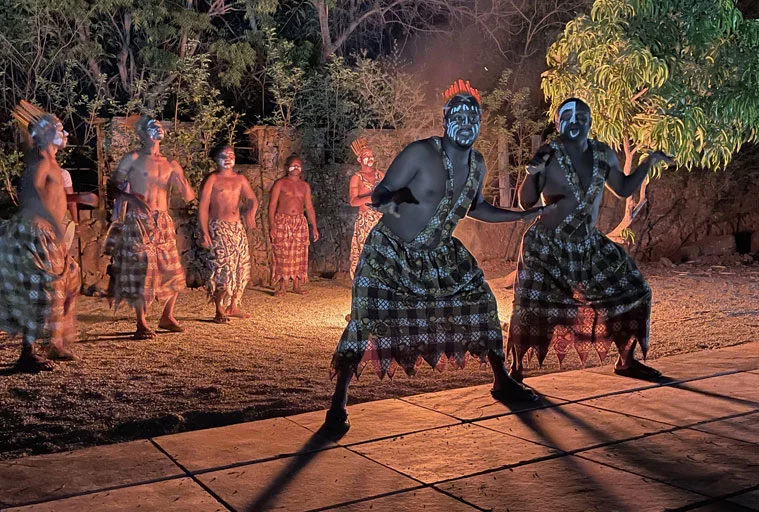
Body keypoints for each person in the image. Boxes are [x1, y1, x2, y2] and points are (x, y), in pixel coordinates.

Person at [324, 80, 553, 432]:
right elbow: (380, 194)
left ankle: (501, 379)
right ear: (445, 119)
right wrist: (398, 202)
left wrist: (519, 215)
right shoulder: (420, 153)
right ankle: (338, 401)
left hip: (439, 256)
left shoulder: (477, 164)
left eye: (473, 116)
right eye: (458, 114)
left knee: (482, 302)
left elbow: (476, 207)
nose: (466, 122)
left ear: (480, 122)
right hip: (390, 254)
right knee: (364, 318)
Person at [507, 97, 674, 382]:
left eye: (581, 115)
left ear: (590, 121)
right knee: (530, 306)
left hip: (588, 245)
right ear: (558, 122)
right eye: (567, 116)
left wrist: (649, 161)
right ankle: (515, 371)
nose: (575, 121)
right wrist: (532, 173)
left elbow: (622, 188)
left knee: (635, 290)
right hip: (547, 245)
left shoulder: (603, 153)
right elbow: (526, 203)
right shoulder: (549, 153)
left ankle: (627, 360)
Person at [0, 103, 93, 371]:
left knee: (71, 280)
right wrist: (52, 223)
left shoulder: (51, 162)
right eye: (58, 128)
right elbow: (29, 197)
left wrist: (76, 199)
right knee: (42, 291)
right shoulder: (39, 162)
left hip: (48, 234)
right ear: (42, 134)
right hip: (34, 234)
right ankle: (27, 354)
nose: (64, 132)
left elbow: (54, 198)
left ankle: (55, 343)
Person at [106, 115, 195, 340]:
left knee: (173, 269)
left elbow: (189, 196)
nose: (158, 128)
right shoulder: (133, 158)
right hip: (138, 219)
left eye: (159, 125)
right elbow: (112, 188)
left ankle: (167, 316)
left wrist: (184, 185)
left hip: (162, 220)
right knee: (142, 270)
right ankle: (141, 321)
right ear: (142, 133)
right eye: (152, 126)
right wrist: (131, 198)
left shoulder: (170, 164)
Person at [198, 145, 258, 323]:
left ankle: (233, 305)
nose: (228, 158)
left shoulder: (240, 179)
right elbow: (203, 207)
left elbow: (252, 198)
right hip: (218, 227)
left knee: (240, 267)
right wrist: (204, 231)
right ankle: (219, 309)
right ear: (216, 159)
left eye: (231, 154)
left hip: (236, 228)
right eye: (223, 155)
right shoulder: (212, 179)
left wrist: (251, 212)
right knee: (222, 268)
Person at [268, 155, 319, 296]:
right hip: (282, 221)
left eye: (298, 165)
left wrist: (314, 227)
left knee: (299, 253)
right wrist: (272, 226)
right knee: (282, 253)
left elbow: (309, 207)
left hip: (299, 222)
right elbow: (272, 205)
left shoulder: (304, 186)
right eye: (293, 165)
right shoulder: (280, 183)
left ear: (301, 168)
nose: (296, 167)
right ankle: (282, 286)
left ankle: (297, 284)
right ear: (287, 167)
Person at [348, 138, 384, 279]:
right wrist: (369, 199)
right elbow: (353, 201)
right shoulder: (356, 178)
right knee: (364, 248)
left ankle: (380, 279)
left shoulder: (380, 175)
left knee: (380, 249)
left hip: (380, 218)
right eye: (366, 156)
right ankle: (363, 279)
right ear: (359, 159)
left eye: (371, 155)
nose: (370, 158)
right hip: (365, 220)